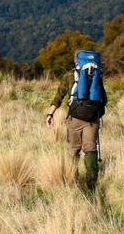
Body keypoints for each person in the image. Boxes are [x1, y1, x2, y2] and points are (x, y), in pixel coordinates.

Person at [46, 50, 107, 191]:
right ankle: (92, 184)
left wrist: (50, 115)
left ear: (76, 61)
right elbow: (104, 99)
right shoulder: (97, 76)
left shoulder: (69, 76)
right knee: (91, 148)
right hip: (93, 119)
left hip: (75, 118)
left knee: (73, 150)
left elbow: (58, 97)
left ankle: (73, 180)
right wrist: (97, 113)